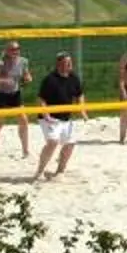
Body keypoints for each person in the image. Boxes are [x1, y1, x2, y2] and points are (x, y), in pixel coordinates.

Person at [33, 52, 85, 180]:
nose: (70, 65)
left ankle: (60, 171)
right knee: (53, 142)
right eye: (67, 63)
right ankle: (39, 171)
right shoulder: (50, 79)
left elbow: (80, 95)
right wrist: (46, 115)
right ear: (59, 65)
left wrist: (82, 110)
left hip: (66, 118)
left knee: (70, 143)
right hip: (50, 117)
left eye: (70, 62)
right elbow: (41, 99)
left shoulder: (73, 77)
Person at [0, 40, 32, 159]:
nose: (15, 51)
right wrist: (5, 80)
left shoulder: (23, 61)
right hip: (2, 95)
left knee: (24, 120)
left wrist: (28, 78)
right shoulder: (1, 63)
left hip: (15, 94)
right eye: (12, 49)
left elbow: (26, 75)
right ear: (6, 51)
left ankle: (25, 151)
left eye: (17, 49)